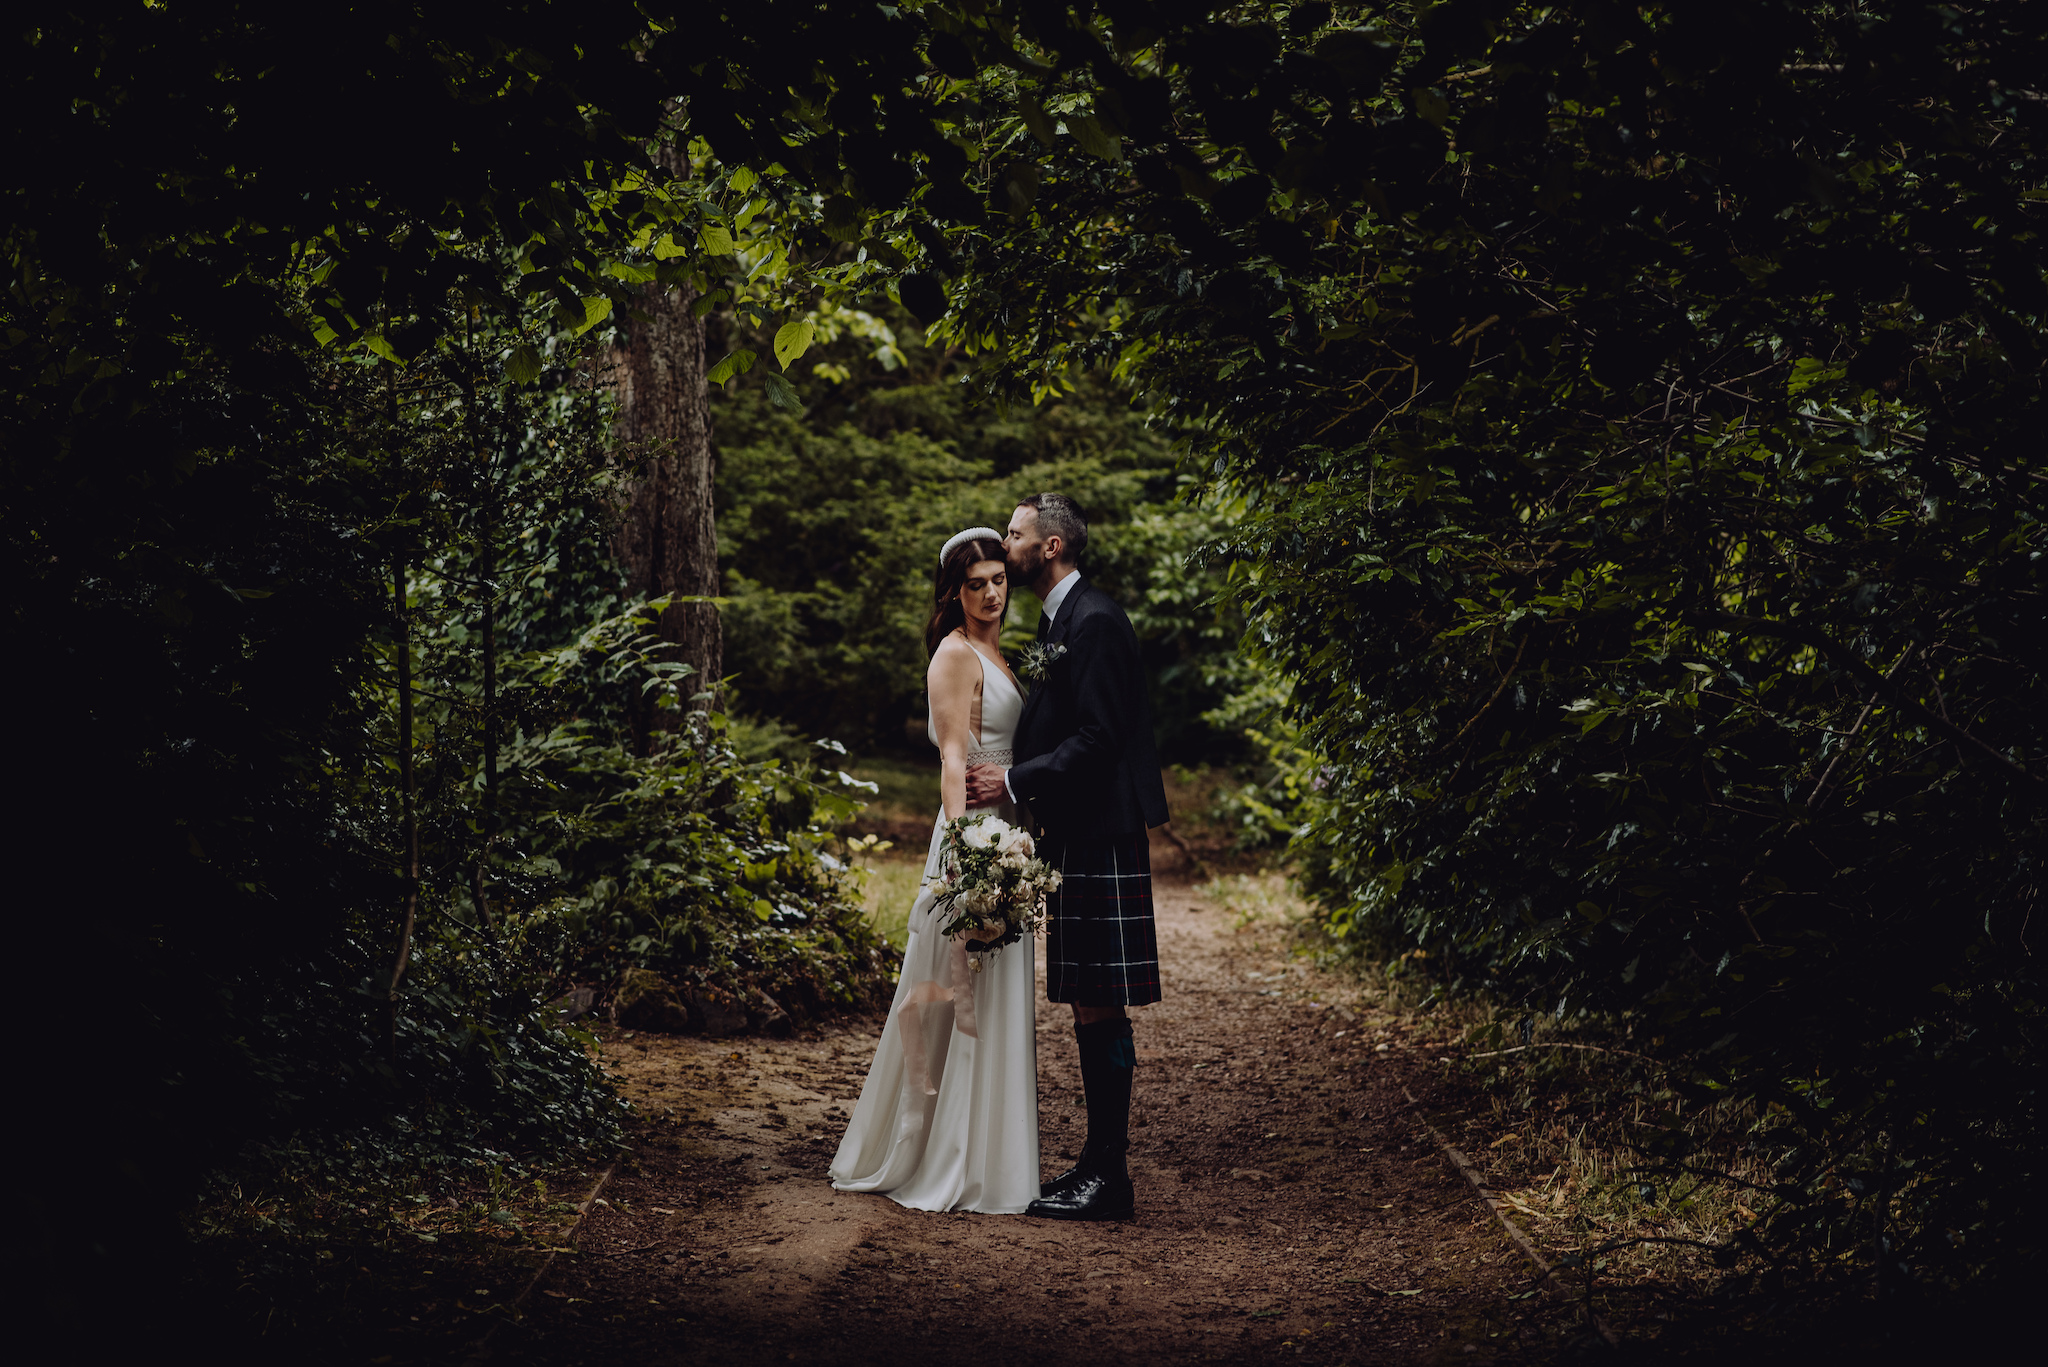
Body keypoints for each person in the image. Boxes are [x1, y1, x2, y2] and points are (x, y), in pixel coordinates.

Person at [966, 493, 1170, 1221]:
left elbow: (1099, 739)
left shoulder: (1097, 621)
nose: (1006, 544)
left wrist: (1014, 779)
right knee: (1090, 1002)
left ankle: (1109, 1178)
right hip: (1080, 830)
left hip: (1101, 830)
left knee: (1098, 1002)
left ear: (1050, 546)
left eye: (1016, 534)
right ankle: (1095, 1165)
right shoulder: (1063, 620)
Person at [828, 530, 1040, 1213]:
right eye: (976, 583)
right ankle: (945, 1158)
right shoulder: (954, 654)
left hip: (1011, 831)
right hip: (975, 838)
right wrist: (967, 851)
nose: (991, 593)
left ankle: (993, 1161)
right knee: (955, 996)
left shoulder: (997, 649)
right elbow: (954, 757)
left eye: (999, 579)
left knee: (995, 997)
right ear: (954, 591)